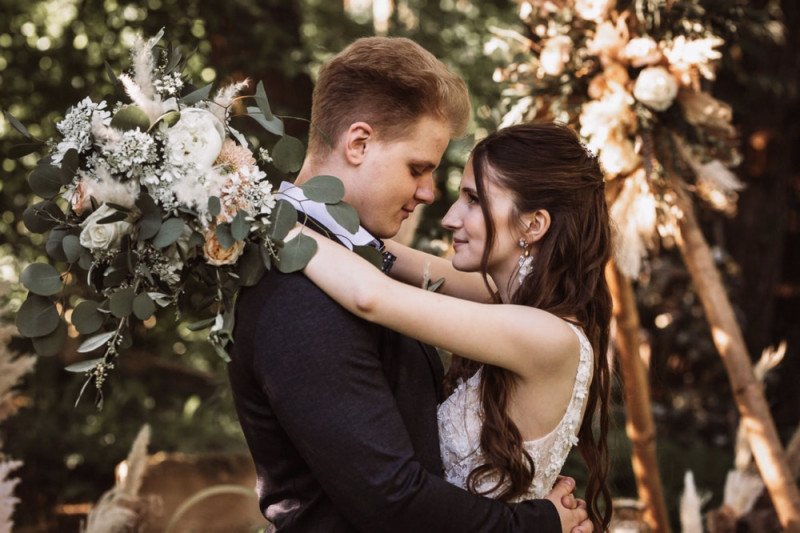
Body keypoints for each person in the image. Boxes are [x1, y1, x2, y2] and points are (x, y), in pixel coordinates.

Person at [228, 37, 593, 532]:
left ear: (536, 224)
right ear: (358, 143)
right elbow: (389, 498)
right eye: (418, 168)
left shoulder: (525, 315)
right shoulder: (297, 288)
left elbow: (385, 279)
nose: (430, 198)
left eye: (470, 198)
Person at [287, 122, 613, 531]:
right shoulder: (506, 302)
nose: (449, 218)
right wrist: (290, 200)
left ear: (533, 224)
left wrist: (269, 221)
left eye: (474, 200)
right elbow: (383, 255)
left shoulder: (543, 336)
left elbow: (371, 296)